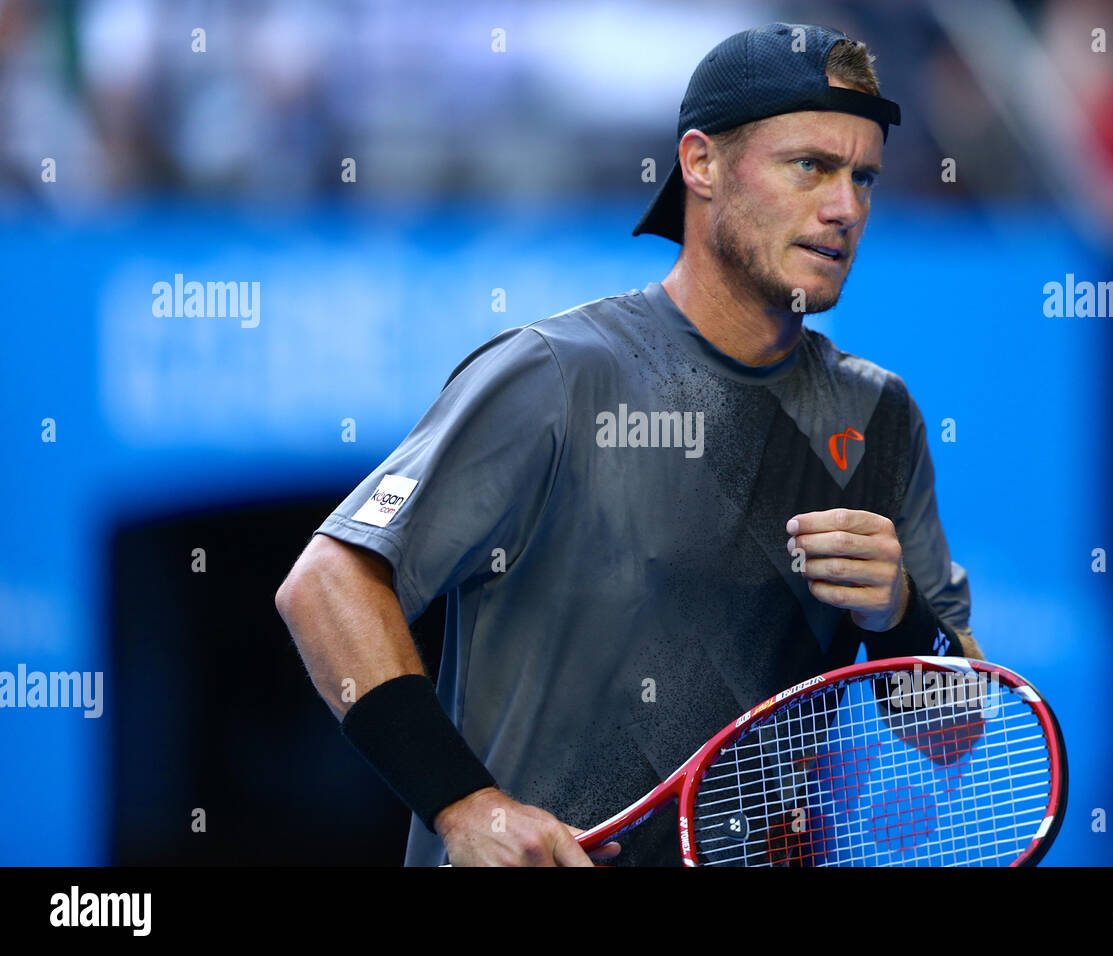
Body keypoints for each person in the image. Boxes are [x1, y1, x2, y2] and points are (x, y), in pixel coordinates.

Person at [275, 21, 980, 868]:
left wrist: (898, 618)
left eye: (863, 177)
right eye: (811, 167)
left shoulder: (881, 416)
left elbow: (958, 737)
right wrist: (465, 806)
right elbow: (327, 583)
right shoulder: (554, 375)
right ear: (701, 163)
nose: (845, 208)